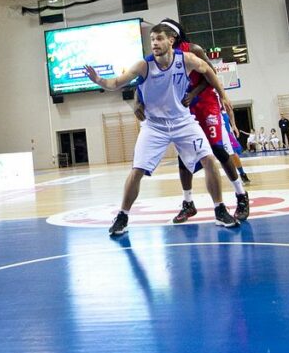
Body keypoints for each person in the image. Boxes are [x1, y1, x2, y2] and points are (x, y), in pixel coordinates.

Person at [85, 22, 240, 238]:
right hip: (154, 126)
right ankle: (122, 216)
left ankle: (220, 210)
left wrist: (223, 95)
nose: (155, 43)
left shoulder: (186, 59)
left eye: (159, 39)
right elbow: (116, 83)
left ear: (171, 40)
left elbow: (208, 71)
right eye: (152, 40)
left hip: (183, 121)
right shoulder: (144, 65)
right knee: (137, 170)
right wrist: (99, 80)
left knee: (208, 159)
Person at [141, 18, 248, 225]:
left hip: (205, 101)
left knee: (217, 149)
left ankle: (241, 195)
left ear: (173, 37)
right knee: (184, 156)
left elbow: (211, 74)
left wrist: (204, 94)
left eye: (162, 35)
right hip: (183, 106)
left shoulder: (193, 50)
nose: (157, 41)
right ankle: (188, 202)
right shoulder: (159, 57)